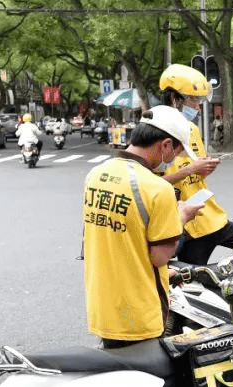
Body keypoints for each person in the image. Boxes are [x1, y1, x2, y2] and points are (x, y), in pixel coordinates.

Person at [83, 106, 203, 347]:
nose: (173, 161)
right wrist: (180, 217)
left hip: (102, 307)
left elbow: (117, 238)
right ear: (166, 144)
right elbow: (159, 256)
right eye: (177, 153)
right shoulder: (159, 189)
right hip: (137, 315)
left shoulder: (95, 175)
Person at [157, 63, 233, 265]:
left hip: (210, 215)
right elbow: (151, 185)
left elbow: (196, 173)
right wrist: (191, 169)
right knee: (190, 284)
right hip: (186, 226)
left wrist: (205, 168)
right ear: (174, 99)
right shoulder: (156, 135)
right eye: (193, 99)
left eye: (199, 100)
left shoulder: (192, 130)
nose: (198, 106)